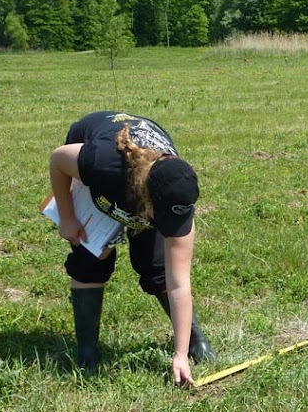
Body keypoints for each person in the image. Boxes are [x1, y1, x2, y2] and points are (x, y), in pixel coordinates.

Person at [49, 110, 217, 386]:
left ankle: (193, 339)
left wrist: (179, 354)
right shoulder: (102, 163)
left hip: (145, 188)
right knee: (91, 259)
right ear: (147, 199)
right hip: (105, 175)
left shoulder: (177, 192)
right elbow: (58, 158)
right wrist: (67, 218)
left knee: (156, 267)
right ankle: (87, 353)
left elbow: (179, 283)